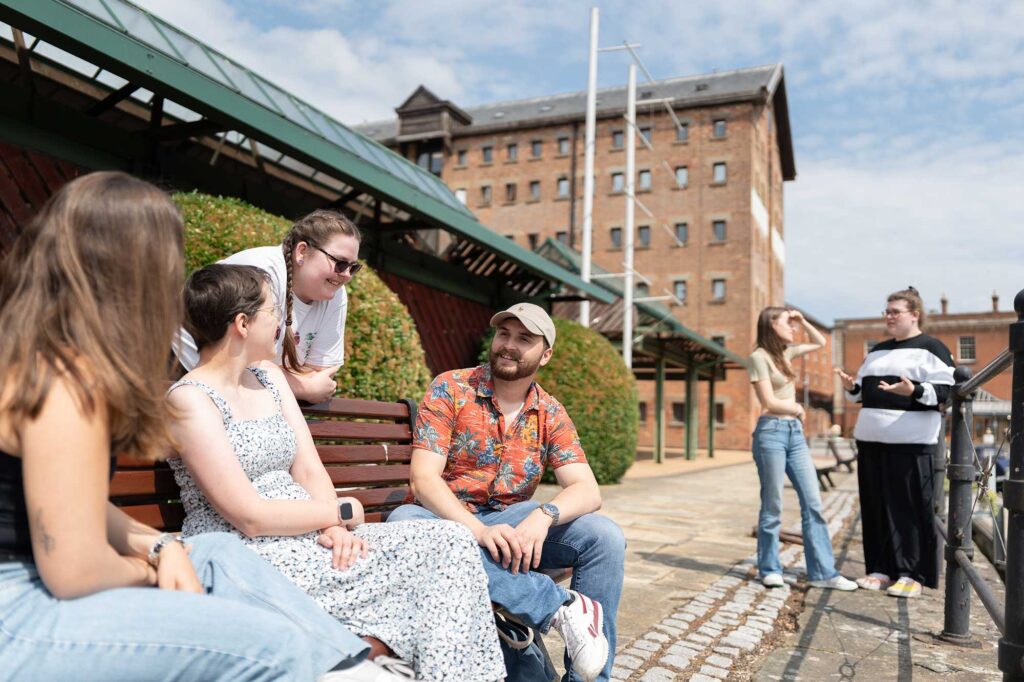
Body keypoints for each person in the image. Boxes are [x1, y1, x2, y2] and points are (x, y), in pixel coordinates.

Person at [0, 171, 404, 681]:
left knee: (213, 552)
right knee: (267, 643)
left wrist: (162, 546)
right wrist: (154, 566)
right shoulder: (62, 380)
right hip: (15, 610)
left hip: (30, 585)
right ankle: (345, 672)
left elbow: (68, 504)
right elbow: (73, 570)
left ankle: (347, 664)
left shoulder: (40, 354)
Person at [168, 263, 506, 682]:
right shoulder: (190, 402)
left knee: (449, 539)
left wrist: (335, 527)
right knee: (428, 570)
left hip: (312, 534)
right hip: (250, 556)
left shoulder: (269, 377)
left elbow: (308, 467)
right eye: (274, 311)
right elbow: (249, 516)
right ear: (242, 323)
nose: (283, 321)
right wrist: (340, 512)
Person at [388, 303, 625, 682]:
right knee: (403, 524)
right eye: (504, 334)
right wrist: (477, 531)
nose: (508, 346)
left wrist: (542, 517)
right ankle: (559, 608)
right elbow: (424, 480)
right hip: (441, 517)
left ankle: (589, 679)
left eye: (524, 339)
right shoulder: (452, 387)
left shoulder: (549, 412)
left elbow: (587, 489)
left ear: (545, 355)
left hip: (510, 524)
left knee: (604, 537)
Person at [836, 287, 954, 598]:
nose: (888, 317)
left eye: (895, 311)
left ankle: (912, 574)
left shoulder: (933, 348)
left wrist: (913, 391)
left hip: (912, 443)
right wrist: (852, 388)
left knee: (910, 508)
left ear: (914, 314)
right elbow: (864, 393)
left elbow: (945, 393)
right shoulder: (877, 350)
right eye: (886, 311)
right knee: (875, 506)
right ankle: (880, 569)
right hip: (871, 442)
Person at [175, 209, 361, 403]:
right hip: (180, 368)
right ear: (302, 252)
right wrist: (302, 387)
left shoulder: (336, 295)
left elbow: (320, 374)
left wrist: (296, 383)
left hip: (251, 391)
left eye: (353, 267)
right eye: (340, 263)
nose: (347, 275)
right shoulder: (259, 273)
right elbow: (240, 358)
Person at [748, 307, 858, 592]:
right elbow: (769, 401)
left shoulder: (786, 354)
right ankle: (769, 568)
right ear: (771, 325)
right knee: (773, 505)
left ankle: (823, 573)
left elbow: (821, 343)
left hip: (795, 436)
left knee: (813, 502)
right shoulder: (758, 357)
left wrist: (802, 319)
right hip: (771, 433)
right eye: (787, 323)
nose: (793, 329)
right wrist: (797, 407)